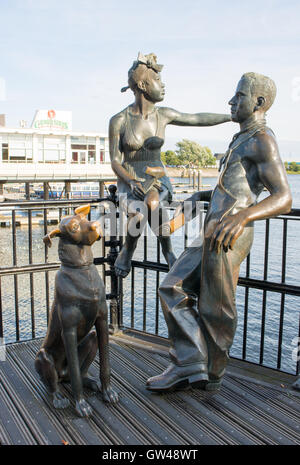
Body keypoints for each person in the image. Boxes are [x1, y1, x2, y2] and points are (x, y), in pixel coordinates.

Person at [146, 72, 292, 392]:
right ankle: (190, 362)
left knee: (216, 308)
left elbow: (283, 197)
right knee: (173, 287)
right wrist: (199, 198)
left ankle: (209, 374)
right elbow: (231, 190)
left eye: (239, 96)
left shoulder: (262, 138)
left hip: (230, 234)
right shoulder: (239, 138)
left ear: (259, 102)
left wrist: (243, 217)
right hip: (213, 230)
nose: (231, 101)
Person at [109, 52, 231, 278]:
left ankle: (167, 250)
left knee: (152, 202)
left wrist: (230, 117)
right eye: (159, 81)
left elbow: (196, 118)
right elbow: (115, 161)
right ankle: (128, 249)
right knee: (138, 213)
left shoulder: (163, 115)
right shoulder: (119, 120)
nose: (163, 86)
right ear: (144, 85)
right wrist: (129, 179)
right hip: (130, 178)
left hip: (155, 176)